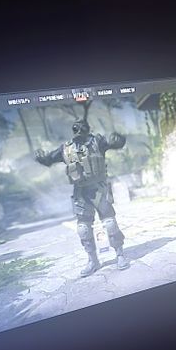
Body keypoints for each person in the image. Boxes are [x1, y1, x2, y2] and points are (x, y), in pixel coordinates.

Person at [35, 118, 129, 277]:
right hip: (81, 192)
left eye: (82, 127)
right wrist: (42, 158)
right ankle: (93, 261)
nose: (79, 130)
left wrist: (119, 139)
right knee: (83, 228)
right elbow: (49, 159)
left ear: (88, 129)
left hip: (99, 189)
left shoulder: (97, 142)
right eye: (76, 128)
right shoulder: (66, 148)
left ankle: (119, 254)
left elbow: (116, 144)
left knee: (109, 222)